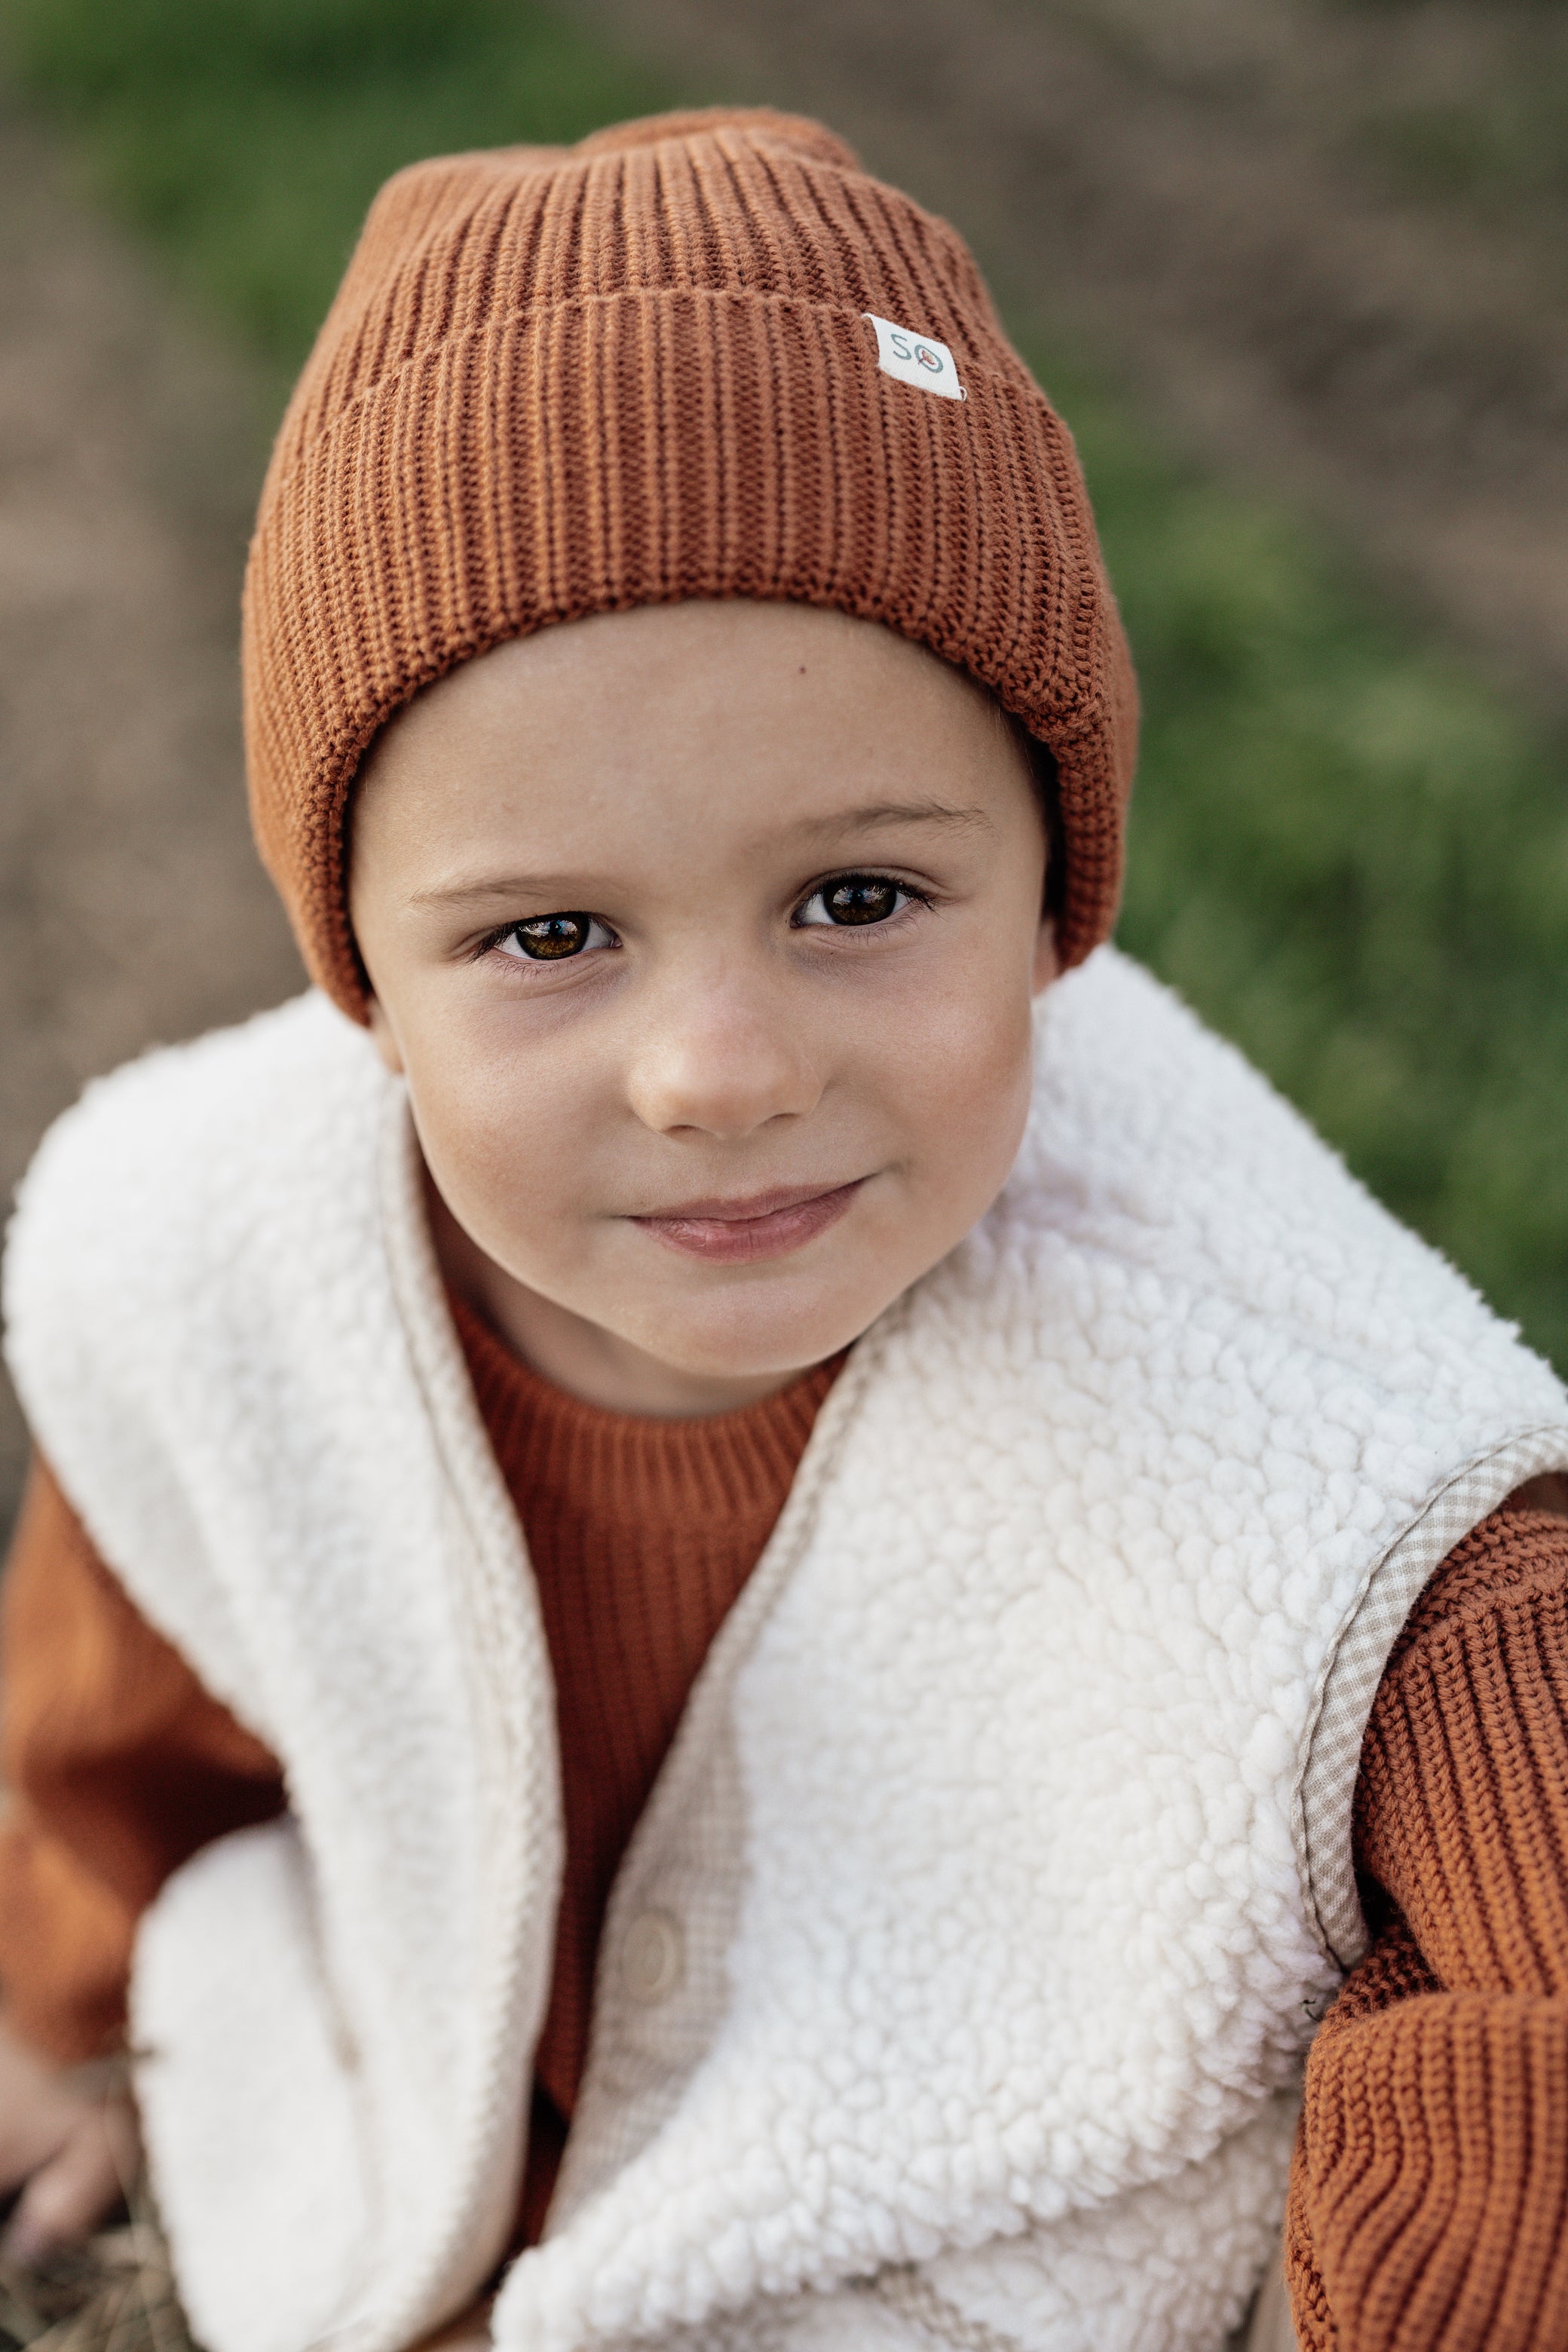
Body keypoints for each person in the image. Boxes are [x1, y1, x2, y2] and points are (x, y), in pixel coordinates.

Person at [2, 105, 1566, 2352]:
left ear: (1055, 906)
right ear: (362, 979)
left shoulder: (1318, 1481)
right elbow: (142, 1660)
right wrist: (57, 2002)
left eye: (857, 899)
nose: (718, 1070)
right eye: (551, 934)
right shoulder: (241, 1276)